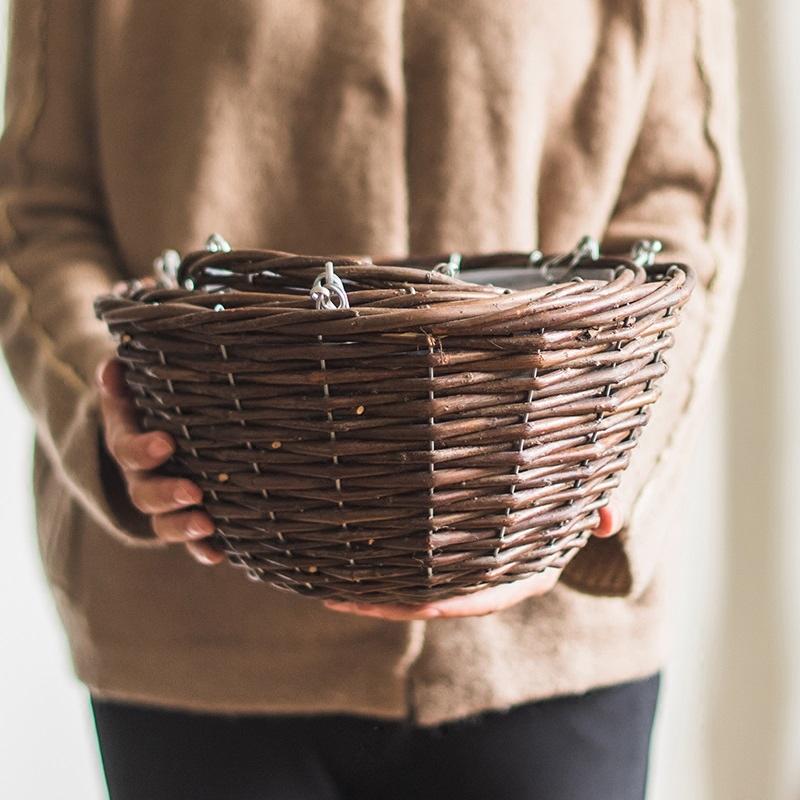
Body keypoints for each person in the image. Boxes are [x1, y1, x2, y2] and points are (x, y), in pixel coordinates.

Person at [0, 1, 745, 798]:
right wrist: (107, 408)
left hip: (552, 632)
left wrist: (608, 472)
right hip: (195, 631)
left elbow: (682, 205)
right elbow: (37, 213)